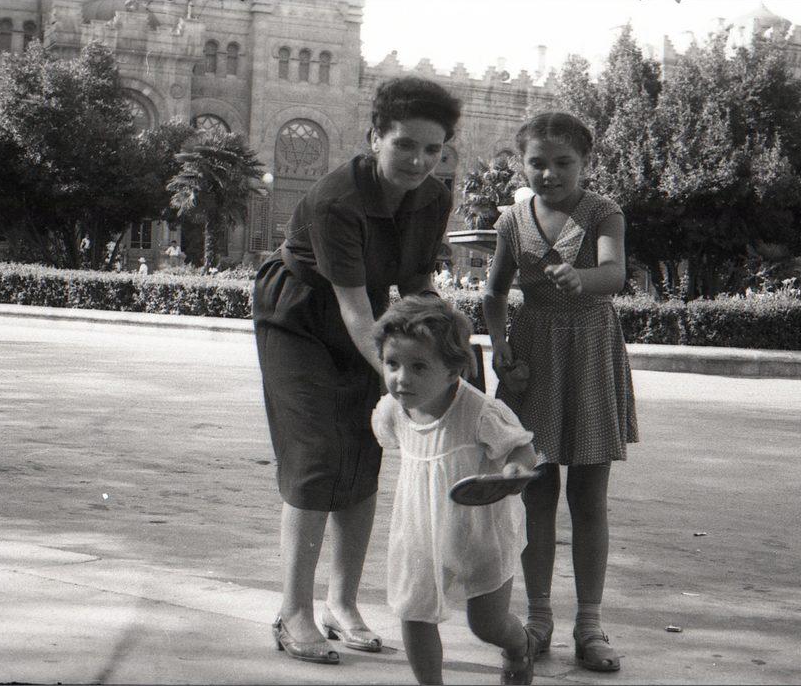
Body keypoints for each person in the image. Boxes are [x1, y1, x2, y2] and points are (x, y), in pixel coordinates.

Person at [252, 76, 462, 666]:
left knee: (363, 452)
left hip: (370, 316)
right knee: (317, 455)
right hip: (298, 315)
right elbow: (351, 306)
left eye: (433, 148)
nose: (419, 160)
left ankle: (341, 604)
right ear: (375, 137)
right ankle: (293, 610)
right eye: (404, 145)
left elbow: (415, 282)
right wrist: (400, 380)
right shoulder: (337, 199)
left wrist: (444, 353)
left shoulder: (433, 198)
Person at [482, 111, 638, 673]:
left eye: (563, 162)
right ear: (520, 165)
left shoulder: (602, 211)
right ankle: (539, 616)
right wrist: (500, 344)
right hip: (535, 357)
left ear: (585, 163)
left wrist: (582, 279)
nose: (549, 173)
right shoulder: (512, 220)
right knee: (536, 490)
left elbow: (614, 273)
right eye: (537, 163)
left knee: (589, 495)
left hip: (590, 352)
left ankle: (590, 625)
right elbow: (495, 292)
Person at [371, 295, 539, 685]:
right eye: (392, 364)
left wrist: (515, 469)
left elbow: (522, 447)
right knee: (413, 612)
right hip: (420, 529)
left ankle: (520, 644)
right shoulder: (393, 410)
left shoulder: (479, 411)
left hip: (482, 531)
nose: (402, 378)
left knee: (487, 624)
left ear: (452, 371)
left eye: (418, 367)